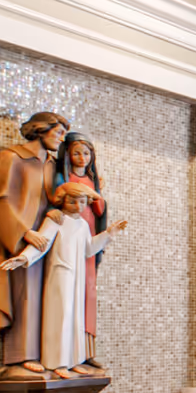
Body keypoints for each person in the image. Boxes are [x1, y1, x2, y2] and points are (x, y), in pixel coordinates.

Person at [0, 182, 126, 378]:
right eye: (73, 200)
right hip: (59, 275)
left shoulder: (82, 224)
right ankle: (57, 362)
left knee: (75, 317)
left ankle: (73, 360)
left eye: (82, 201)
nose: (78, 205)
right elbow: (42, 243)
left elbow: (89, 248)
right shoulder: (55, 221)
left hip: (76, 276)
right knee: (60, 317)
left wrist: (109, 234)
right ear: (62, 200)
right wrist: (23, 258)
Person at [0, 111, 69, 380]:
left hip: (48, 239)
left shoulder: (52, 164)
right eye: (58, 133)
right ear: (40, 131)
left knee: (49, 296)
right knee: (25, 294)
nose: (62, 139)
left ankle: (50, 354)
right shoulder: (12, 157)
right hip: (22, 240)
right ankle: (19, 357)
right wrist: (24, 232)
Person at [55, 132, 110, 374]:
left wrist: (97, 192)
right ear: (67, 155)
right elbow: (54, 201)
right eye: (76, 152)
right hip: (67, 240)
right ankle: (65, 352)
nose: (82, 157)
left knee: (88, 291)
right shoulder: (62, 178)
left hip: (88, 239)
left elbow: (98, 209)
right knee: (67, 294)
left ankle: (87, 350)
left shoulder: (91, 180)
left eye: (86, 153)